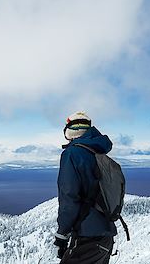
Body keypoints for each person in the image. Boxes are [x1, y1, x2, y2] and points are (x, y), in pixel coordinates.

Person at [54, 111, 117, 264]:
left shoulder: (72, 154)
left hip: (86, 237)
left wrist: (62, 234)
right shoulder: (99, 153)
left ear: (70, 131)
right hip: (105, 237)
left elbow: (69, 197)